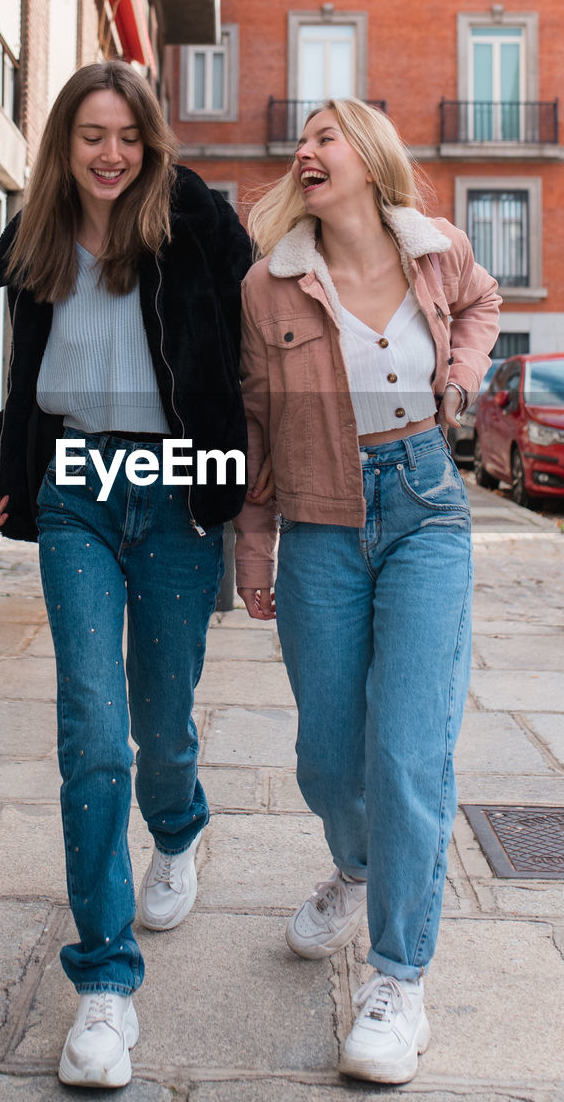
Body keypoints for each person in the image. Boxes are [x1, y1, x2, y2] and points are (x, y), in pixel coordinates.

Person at [0, 60, 252, 1089]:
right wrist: (1, 464)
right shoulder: (36, 233)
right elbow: (36, 378)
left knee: (160, 712)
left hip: (177, 491)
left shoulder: (195, 220)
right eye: (91, 133)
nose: (110, 152)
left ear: (150, 139)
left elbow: (249, 341)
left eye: (126, 134)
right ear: (63, 141)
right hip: (80, 487)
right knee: (93, 721)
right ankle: (104, 985)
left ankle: (178, 824)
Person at [234, 98, 500, 1085]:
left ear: (369, 158)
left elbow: (483, 305)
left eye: (325, 136)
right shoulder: (270, 287)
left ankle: (400, 979)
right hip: (319, 518)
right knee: (326, 752)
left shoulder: (436, 251)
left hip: (427, 501)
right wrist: (251, 545)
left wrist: (464, 380)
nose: (305, 151)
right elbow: (258, 421)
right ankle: (355, 863)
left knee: (409, 750)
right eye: (301, 139)